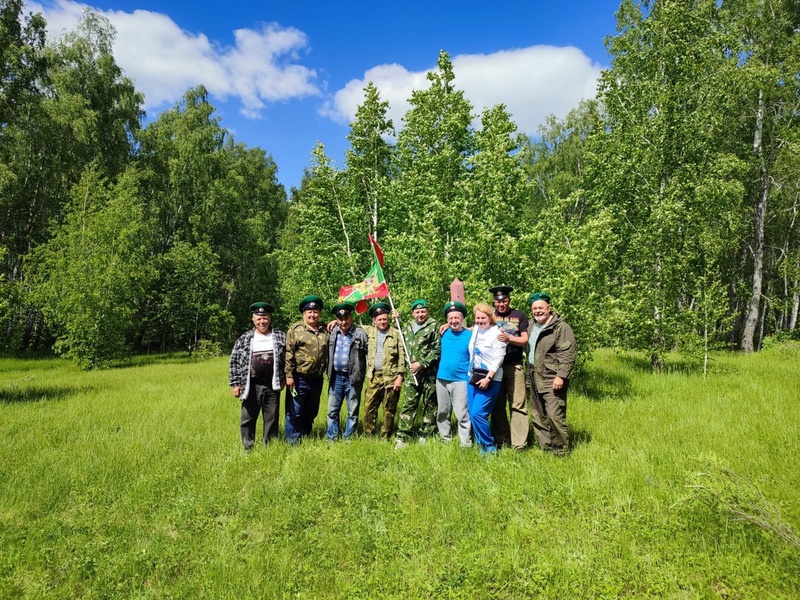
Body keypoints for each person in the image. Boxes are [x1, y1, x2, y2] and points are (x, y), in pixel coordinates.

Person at [229, 302, 286, 450]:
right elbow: (234, 361)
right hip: (251, 385)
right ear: (253, 319)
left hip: (272, 385)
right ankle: (248, 448)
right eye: (259, 318)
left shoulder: (280, 336)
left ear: (270, 318)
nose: (262, 321)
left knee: (272, 419)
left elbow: (288, 359)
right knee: (247, 418)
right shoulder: (245, 338)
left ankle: (270, 447)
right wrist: (235, 384)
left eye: (265, 317)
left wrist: (285, 377)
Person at [527, 292, 576, 456]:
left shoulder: (560, 327)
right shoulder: (531, 325)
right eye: (534, 308)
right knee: (538, 413)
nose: (537, 311)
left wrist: (561, 376)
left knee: (555, 415)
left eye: (541, 307)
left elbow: (567, 353)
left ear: (549, 308)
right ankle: (546, 448)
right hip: (533, 375)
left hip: (551, 377)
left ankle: (561, 450)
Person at [488, 285, 530, 451]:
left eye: (504, 301)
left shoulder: (518, 315)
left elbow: (524, 339)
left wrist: (509, 338)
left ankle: (519, 443)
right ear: (494, 302)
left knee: (518, 405)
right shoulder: (489, 316)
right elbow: (474, 329)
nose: (501, 304)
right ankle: (502, 440)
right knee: (497, 406)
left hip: (514, 366)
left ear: (509, 300)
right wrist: (448, 324)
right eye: (498, 302)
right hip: (494, 368)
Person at [395, 299, 440, 447]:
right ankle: (403, 436)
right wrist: (396, 320)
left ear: (427, 312)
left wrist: (421, 364)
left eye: (423, 311)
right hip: (411, 375)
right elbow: (400, 338)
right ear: (413, 313)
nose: (420, 314)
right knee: (408, 404)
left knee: (430, 404)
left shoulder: (434, 326)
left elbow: (437, 350)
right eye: (417, 312)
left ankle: (425, 435)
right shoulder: (408, 327)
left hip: (429, 373)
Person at [285, 295, 329, 443]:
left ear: (319, 313)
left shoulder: (325, 330)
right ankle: (293, 442)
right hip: (298, 378)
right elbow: (288, 353)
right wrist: (289, 376)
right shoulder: (295, 330)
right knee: (295, 411)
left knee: (311, 411)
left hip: (317, 379)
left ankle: (305, 435)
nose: (312, 315)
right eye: (309, 312)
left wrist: (335, 321)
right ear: (303, 313)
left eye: (315, 311)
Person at [467, 303, 507, 454]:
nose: (480, 320)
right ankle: (481, 445)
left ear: (490, 318)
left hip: (490, 378)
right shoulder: (476, 329)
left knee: (478, 413)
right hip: (472, 376)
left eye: (483, 317)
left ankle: (490, 447)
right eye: (477, 318)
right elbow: (465, 328)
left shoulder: (497, 333)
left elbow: (499, 358)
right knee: (472, 413)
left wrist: (489, 378)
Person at [362, 302, 405, 440]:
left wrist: (400, 377)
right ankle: (369, 435)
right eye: (379, 319)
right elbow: (350, 326)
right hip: (373, 376)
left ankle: (385, 436)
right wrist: (333, 321)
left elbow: (402, 356)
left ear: (389, 319)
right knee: (369, 408)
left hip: (391, 378)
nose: (382, 322)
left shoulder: (396, 333)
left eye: (385, 319)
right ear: (374, 321)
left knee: (389, 409)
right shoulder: (368, 331)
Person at [325, 302, 368, 441]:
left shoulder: (360, 333)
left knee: (353, 411)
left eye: (346, 318)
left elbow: (377, 331)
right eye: (340, 319)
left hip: (353, 378)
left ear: (351, 317)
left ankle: (348, 438)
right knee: (332, 411)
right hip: (335, 377)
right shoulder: (331, 332)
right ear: (336, 320)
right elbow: (313, 324)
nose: (344, 322)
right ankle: (331, 437)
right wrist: (332, 322)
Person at [435, 301, 472, 446]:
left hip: (461, 380)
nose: (453, 321)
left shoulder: (470, 335)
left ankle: (465, 442)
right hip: (442, 378)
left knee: (462, 413)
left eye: (456, 317)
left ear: (462, 318)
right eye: (450, 318)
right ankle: (445, 439)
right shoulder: (443, 333)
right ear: (447, 320)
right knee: (443, 411)